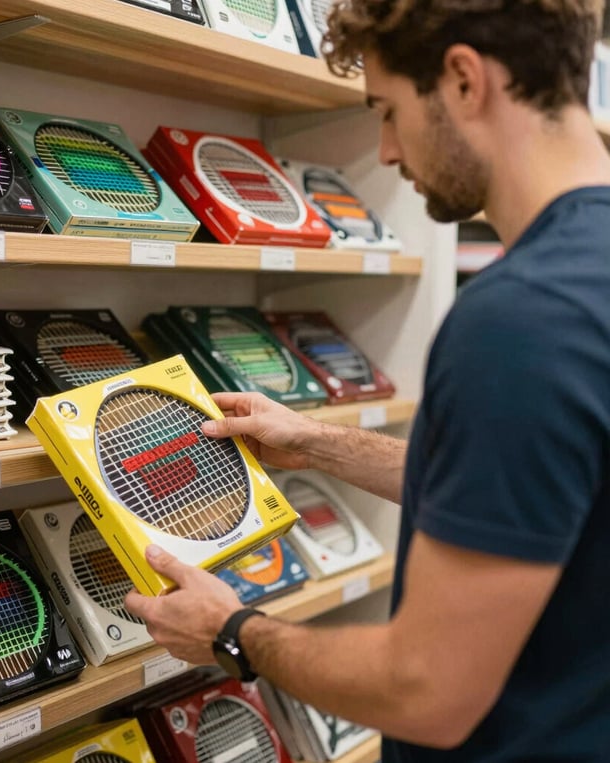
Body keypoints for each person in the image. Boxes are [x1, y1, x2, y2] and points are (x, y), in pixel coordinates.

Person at [125, 1, 610, 760]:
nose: (384, 152)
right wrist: (319, 444)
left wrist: (232, 630)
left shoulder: (521, 320)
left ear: (462, 81)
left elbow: (428, 688)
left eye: (387, 111)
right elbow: (541, 490)